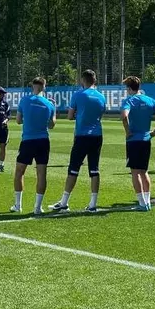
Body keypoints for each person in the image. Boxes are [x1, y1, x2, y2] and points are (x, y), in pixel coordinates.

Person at [52, 69, 106, 214]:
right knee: (94, 169)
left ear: (83, 80)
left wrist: (80, 114)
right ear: (94, 80)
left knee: (73, 168)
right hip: (97, 135)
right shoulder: (101, 97)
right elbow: (100, 115)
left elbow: (70, 116)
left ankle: (64, 202)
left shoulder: (78, 95)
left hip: (82, 135)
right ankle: (93, 204)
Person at [121, 76, 155, 212]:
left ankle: (142, 203)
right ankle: (147, 202)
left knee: (135, 172)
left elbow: (124, 116)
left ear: (129, 88)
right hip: (146, 139)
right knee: (144, 171)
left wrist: (128, 131)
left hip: (134, 140)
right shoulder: (149, 100)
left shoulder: (129, 100)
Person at [12, 77, 56, 214]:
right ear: (44, 87)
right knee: (41, 173)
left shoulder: (24, 100)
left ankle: (18, 205)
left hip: (28, 140)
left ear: (32, 86)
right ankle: (37, 207)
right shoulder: (49, 104)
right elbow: (52, 125)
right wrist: (54, 110)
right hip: (43, 140)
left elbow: (18, 120)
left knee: (19, 172)